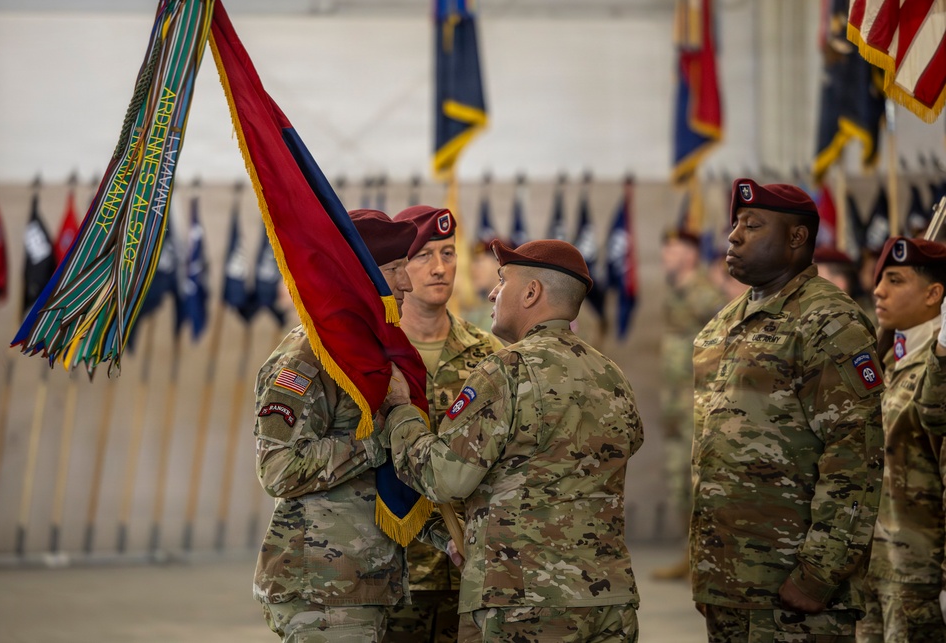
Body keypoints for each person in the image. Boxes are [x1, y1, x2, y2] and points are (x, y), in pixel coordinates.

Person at [378, 239, 644, 643]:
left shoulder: (506, 370)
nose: (491, 292)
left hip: (522, 601)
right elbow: (630, 443)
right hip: (608, 599)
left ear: (531, 292)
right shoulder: (611, 374)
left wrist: (400, 412)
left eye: (502, 281)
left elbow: (445, 477)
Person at [690, 178, 885, 643]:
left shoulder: (829, 321)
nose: (734, 235)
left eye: (752, 225)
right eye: (736, 223)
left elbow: (856, 458)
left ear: (797, 238)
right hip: (731, 581)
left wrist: (819, 573)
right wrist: (710, 567)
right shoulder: (725, 322)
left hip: (794, 590)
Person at [252, 208, 416, 641]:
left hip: (362, 581)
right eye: (396, 269)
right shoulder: (309, 358)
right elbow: (279, 468)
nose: (408, 283)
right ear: (359, 275)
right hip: (322, 589)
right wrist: (379, 437)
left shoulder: (368, 353)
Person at [385, 205, 501, 643]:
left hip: (469, 565)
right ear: (398, 267)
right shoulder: (373, 356)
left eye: (449, 253)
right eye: (423, 256)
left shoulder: (490, 354)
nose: (439, 268)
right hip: (393, 567)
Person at [856, 236, 946, 643]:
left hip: (918, 573)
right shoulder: (890, 355)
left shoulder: (937, 364)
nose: (878, 290)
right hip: (874, 561)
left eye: (895, 280)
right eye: (880, 279)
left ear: (933, 294)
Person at [653, 227, 726, 580]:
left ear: (691, 255)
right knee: (678, 482)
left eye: (673, 249)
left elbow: (724, 340)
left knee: (697, 482)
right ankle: (691, 555)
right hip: (675, 404)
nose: (666, 255)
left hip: (697, 403)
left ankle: (706, 559)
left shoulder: (703, 293)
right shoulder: (676, 293)